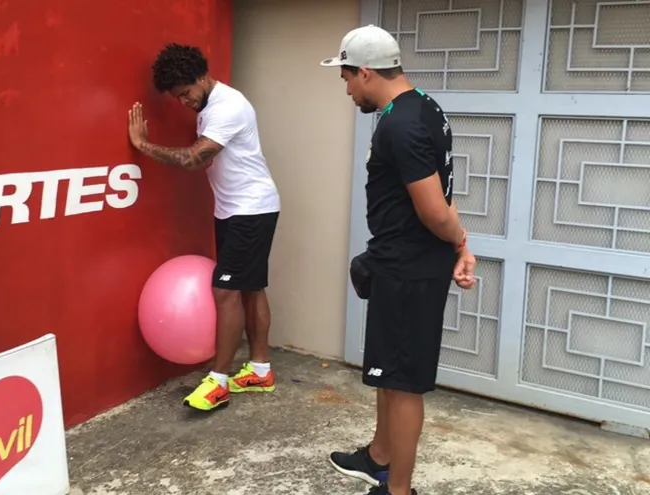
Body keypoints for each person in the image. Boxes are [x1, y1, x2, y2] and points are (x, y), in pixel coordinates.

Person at [320, 25, 477, 495]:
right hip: (398, 261)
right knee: (388, 372)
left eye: (347, 77)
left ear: (366, 72)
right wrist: (460, 244)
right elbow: (442, 188)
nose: (347, 89)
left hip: (410, 270)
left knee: (403, 382)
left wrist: (460, 240)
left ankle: (397, 489)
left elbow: (433, 208)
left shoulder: (401, 123)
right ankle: (379, 456)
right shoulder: (422, 106)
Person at [127, 43, 281, 412]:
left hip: (250, 210)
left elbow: (194, 159)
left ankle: (218, 382)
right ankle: (260, 371)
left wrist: (142, 145)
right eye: (178, 98)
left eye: (186, 94)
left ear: (202, 77)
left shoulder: (228, 108)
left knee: (225, 291)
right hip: (237, 209)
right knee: (250, 288)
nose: (184, 102)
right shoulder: (212, 103)